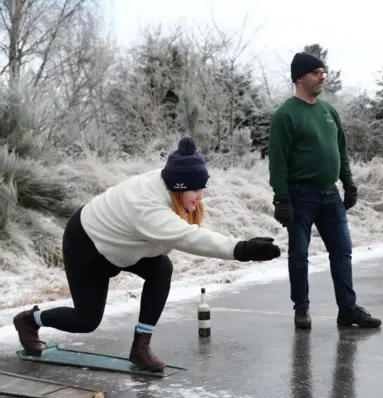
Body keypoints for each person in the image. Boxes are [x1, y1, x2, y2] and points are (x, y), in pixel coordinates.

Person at [13, 136, 281, 371]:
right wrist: (243, 249)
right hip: (88, 243)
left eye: (202, 189)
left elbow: (184, 227)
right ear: (178, 186)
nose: (200, 196)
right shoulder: (149, 208)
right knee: (86, 321)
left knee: (161, 269)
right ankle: (29, 320)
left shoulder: (171, 180)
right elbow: (190, 238)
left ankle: (140, 346)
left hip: (124, 242)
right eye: (196, 190)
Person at [267, 51, 382, 330]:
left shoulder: (329, 111)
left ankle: (348, 310)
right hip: (299, 194)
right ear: (299, 77)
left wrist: (349, 182)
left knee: (342, 251)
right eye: (316, 73)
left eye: (323, 73)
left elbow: (340, 149)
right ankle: (302, 309)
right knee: (299, 253)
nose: (322, 77)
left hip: (330, 194)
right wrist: (281, 198)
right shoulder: (285, 115)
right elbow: (278, 161)